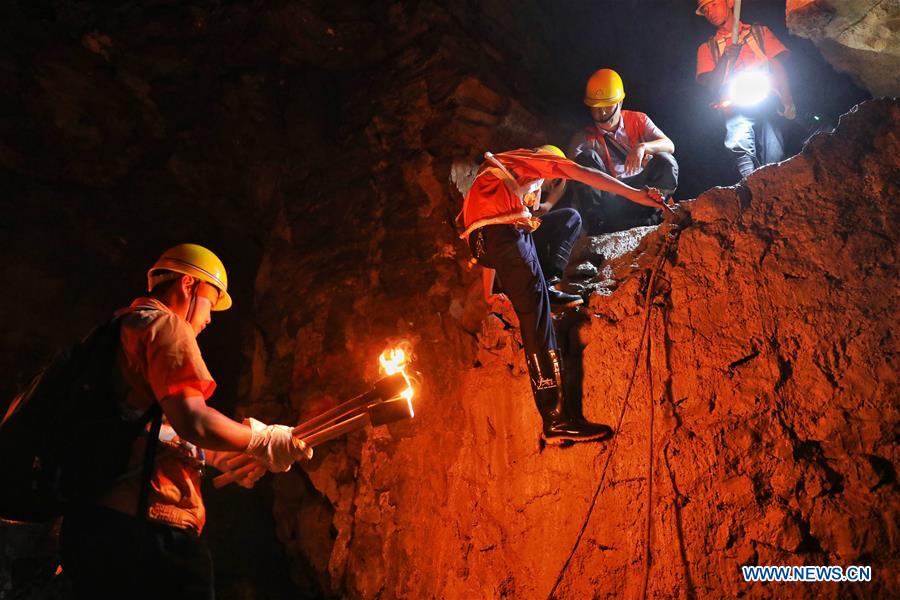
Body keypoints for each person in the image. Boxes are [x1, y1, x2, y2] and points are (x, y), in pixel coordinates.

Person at [59, 243, 312, 600]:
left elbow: (149, 428)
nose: (209, 318)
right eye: (211, 301)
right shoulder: (165, 325)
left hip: (93, 526)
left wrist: (220, 457)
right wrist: (262, 439)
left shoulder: (119, 329)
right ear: (189, 286)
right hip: (149, 533)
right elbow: (193, 419)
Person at [460, 145, 666, 444]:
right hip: (501, 235)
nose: (540, 191)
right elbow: (583, 173)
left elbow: (486, 236)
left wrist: (488, 292)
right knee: (536, 320)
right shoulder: (533, 159)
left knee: (566, 218)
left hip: (487, 241)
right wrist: (634, 195)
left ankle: (547, 287)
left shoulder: (498, 179)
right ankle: (555, 419)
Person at [557, 68, 678, 235]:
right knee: (585, 159)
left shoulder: (638, 120)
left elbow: (669, 145)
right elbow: (568, 175)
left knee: (666, 161)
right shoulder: (584, 138)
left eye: (607, 105)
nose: (602, 112)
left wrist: (642, 147)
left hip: (643, 193)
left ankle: (654, 213)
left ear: (619, 103)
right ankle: (598, 226)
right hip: (611, 200)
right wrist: (550, 203)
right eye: (596, 107)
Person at [695, 0, 796, 178]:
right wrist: (726, 58)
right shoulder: (707, 48)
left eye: (714, 4)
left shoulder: (759, 32)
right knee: (738, 142)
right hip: (734, 101)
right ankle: (751, 183)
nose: (709, 11)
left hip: (767, 96)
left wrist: (788, 102)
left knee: (775, 149)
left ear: (730, 2)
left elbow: (776, 65)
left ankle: (773, 183)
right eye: (705, 9)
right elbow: (712, 85)